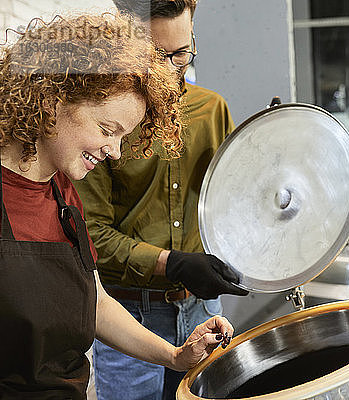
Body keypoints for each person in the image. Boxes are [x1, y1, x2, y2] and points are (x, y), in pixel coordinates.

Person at [0, 12, 234, 400]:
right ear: (52, 101)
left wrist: (175, 356)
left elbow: (95, 304)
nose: (115, 151)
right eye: (108, 131)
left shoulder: (62, 192)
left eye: (125, 136)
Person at [72, 1, 249, 399]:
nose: (170, 68)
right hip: (130, 316)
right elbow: (92, 236)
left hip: (203, 311)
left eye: (181, 53)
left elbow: (234, 205)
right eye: (156, 56)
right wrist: (172, 263)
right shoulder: (106, 123)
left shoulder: (211, 110)